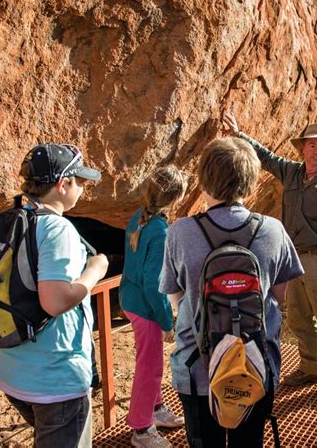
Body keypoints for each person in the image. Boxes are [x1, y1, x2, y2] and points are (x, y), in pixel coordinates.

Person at [159, 137, 303, 447]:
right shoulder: (273, 230)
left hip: (197, 368)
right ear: (251, 184)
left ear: (204, 180)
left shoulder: (180, 232)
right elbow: (279, 297)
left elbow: (175, 296)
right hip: (254, 363)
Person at [223, 113, 317, 403]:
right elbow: (266, 157)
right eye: (311, 145)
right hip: (291, 258)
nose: (316, 151)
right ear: (302, 148)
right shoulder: (292, 172)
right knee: (299, 319)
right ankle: (309, 368)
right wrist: (238, 133)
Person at [0, 144, 109, 447]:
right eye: (80, 182)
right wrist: (96, 270)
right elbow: (55, 301)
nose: (83, 188)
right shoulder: (57, 229)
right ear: (63, 184)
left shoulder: (11, 220)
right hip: (55, 380)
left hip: (13, 370)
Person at [120, 165, 188, 448]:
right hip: (146, 309)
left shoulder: (140, 217)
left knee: (151, 365)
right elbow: (153, 284)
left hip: (130, 300)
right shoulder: (161, 231)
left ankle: (156, 409)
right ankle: (142, 428)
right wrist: (166, 321)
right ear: (173, 199)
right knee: (149, 368)